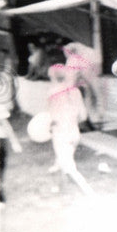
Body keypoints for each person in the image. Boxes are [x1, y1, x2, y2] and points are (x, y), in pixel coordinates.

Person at [47, 62, 95, 195]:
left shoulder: (52, 92)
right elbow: (83, 116)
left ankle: (89, 192)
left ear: (52, 77)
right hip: (74, 132)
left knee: (68, 165)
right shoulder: (75, 91)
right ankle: (61, 188)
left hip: (61, 132)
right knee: (63, 159)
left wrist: (52, 125)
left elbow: (52, 116)